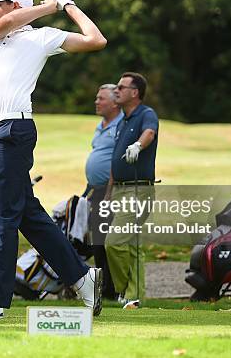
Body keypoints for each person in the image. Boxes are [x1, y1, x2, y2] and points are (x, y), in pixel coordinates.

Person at [0, 0, 107, 318]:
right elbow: (4, 24)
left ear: (16, 5)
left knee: (1, 212)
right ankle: (82, 279)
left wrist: (68, 6)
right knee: (28, 216)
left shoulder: (42, 37)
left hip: (14, 130)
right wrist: (49, 6)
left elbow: (96, 40)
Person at [103, 72, 158, 306]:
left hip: (138, 191)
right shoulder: (123, 120)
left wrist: (138, 145)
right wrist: (109, 192)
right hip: (120, 190)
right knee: (133, 246)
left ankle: (123, 289)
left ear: (134, 93)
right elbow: (116, 158)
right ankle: (134, 297)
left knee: (114, 242)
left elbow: (150, 133)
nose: (116, 90)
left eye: (121, 87)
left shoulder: (146, 114)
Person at [84, 84, 124, 300]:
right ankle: (105, 289)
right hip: (95, 191)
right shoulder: (101, 125)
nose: (96, 102)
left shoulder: (121, 125)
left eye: (101, 98)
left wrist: (109, 193)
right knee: (97, 241)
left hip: (111, 192)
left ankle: (114, 289)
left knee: (109, 241)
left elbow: (116, 162)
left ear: (115, 102)